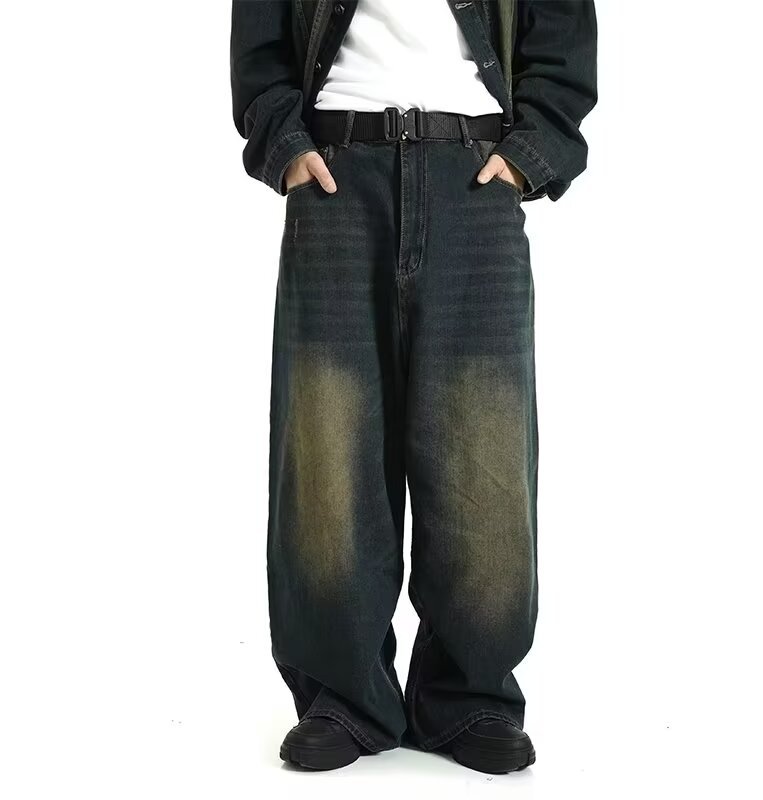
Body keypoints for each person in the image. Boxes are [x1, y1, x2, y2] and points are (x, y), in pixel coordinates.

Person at [230, 0, 597, 774]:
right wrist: (286, 145)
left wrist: (531, 151)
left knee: (482, 450)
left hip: (475, 178)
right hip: (335, 179)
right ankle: (342, 696)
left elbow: (562, 38)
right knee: (326, 448)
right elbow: (260, 44)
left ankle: (470, 696)